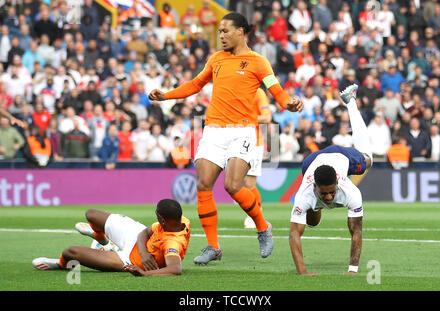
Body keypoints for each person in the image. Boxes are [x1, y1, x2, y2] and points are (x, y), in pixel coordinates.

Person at [149, 12, 303, 265]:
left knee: (233, 185)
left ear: (241, 31)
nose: (221, 35)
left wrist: (290, 104)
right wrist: (166, 96)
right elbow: (195, 84)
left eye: (226, 31)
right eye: (220, 32)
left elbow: (276, 90)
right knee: (203, 185)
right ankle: (213, 246)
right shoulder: (216, 59)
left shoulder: (258, 61)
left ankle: (263, 228)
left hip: (242, 131)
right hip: (214, 130)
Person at [289, 84, 373, 275]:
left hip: (342, 156)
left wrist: (353, 270)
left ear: (338, 183)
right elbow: (294, 233)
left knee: (369, 157)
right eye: (324, 193)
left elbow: (356, 231)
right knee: (311, 223)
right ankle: (315, 206)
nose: (329, 197)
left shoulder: (350, 191)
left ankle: (350, 101)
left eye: (332, 192)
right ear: (315, 186)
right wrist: (303, 273)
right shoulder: (303, 192)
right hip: (311, 163)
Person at [32, 199, 191, 276]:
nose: (156, 218)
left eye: (157, 215)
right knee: (91, 214)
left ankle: (62, 265)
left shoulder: (173, 242)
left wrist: (144, 273)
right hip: (135, 235)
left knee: (70, 252)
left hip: (128, 259)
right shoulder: (180, 221)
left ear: (162, 219)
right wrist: (144, 253)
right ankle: (102, 240)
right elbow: (144, 233)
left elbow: (175, 269)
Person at [243, 88, 272, 229]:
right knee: (237, 182)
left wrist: (245, 119)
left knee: (249, 182)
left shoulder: (258, 92)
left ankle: (256, 214)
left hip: (254, 142)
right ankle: (254, 212)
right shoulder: (234, 90)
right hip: (237, 141)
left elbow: (267, 118)